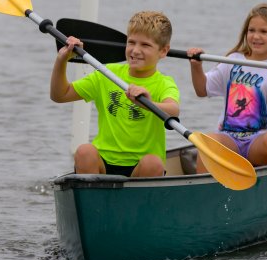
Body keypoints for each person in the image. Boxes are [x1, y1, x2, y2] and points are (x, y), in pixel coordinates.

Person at [50, 10, 180, 177]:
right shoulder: (107, 73)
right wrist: (62, 60)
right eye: (131, 42)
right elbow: (60, 95)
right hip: (103, 161)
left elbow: (173, 110)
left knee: (153, 163)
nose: (135, 50)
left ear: (163, 51)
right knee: (84, 151)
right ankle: (92, 198)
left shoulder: (164, 83)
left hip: (140, 168)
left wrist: (148, 103)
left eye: (145, 45)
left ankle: (139, 200)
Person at [187, 3, 267, 171]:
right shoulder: (233, 60)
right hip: (230, 138)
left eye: (264, 32)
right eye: (251, 30)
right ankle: (204, 192)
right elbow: (202, 90)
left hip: (260, 142)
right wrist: (196, 66)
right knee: (206, 143)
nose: (256, 36)